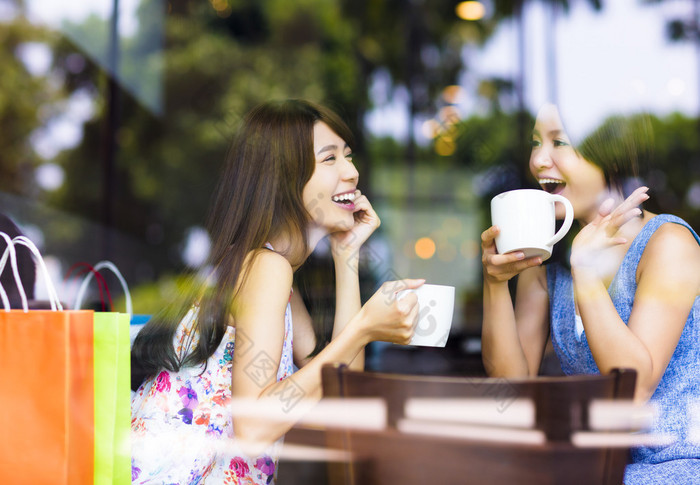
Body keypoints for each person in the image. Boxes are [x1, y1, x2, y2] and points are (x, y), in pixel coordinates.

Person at [130, 99, 423, 485]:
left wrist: (347, 255)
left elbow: (342, 383)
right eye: (330, 159)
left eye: (348, 157)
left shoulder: (268, 273)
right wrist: (364, 328)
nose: (351, 172)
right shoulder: (265, 268)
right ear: (286, 177)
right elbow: (252, 429)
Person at [480, 103, 700, 483]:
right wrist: (495, 284)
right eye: (535, 143)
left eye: (558, 142)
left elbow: (631, 392)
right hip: (591, 468)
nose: (538, 160)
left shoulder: (669, 244)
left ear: (610, 160)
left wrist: (584, 271)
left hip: (674, 466)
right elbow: (510, 389)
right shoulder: (548, 258)